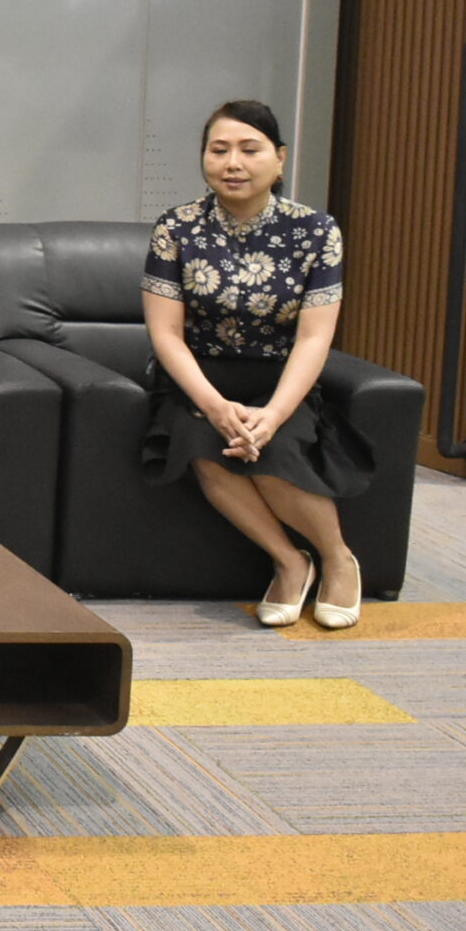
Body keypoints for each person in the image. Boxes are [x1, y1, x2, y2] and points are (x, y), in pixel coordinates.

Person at [143, 100, 365, 629]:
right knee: (206, 446)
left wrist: (274, 414)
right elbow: (166, 333)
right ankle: (290, 562)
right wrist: (214, 405)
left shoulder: (316, 231)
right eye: (219, 150)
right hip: (199, 381)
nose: (233, 163)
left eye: (249, 150)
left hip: (279, 382)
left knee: (275, 449)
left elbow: (314, 338)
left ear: (280, 159)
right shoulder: (177, 227)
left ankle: (338, 559)